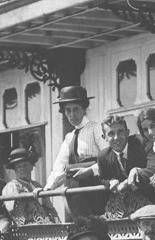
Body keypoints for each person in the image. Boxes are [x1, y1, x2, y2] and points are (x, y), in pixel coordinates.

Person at [44, 86, 109, 218]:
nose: (72, 114)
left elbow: (109, 157)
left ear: (84, 109)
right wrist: (48, 188)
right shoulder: (69, 137)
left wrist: (91, 170)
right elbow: (59, 167)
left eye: (76, 109)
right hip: (77, 194)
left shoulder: (96, 129)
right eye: (68, 110)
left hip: (97, 191)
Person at [94, 115, 155, 214]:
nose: (116, 137)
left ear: (127, 132)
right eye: (111, 134)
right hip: (126, 209)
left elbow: (154, 169)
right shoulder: (103, 156)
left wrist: (127, 182)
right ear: (104, 137)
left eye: (120, 132)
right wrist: (110, 182)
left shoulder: (142, 142)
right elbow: (102, 177)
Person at [1, 148, 60, 225]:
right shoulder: (11, 186)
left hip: (45, 225)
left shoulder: (37, 185)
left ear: (31, 167)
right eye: (19, 166)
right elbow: (12, 210)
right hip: (26, 227)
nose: (22, 169)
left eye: (25, 165)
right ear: (15, 170)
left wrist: (56, 222)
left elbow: (49, 207)